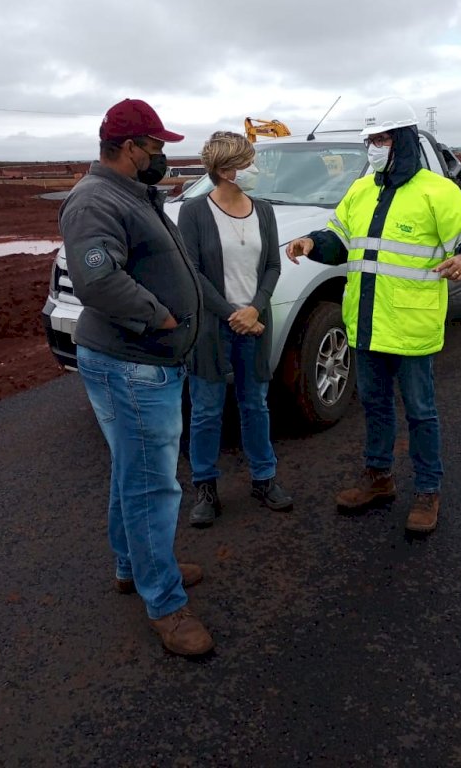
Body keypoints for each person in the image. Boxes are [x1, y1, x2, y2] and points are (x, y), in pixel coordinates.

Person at [286, 98, 461, 534]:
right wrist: (310, 242)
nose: (373, 147)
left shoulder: (437, 191)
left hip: (411, 326)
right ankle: (379, 478)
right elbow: (340, 239)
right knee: (376, 407)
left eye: (379, 139)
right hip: (365, 323)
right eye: (369, 140)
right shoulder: (362, 190)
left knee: (420, 411)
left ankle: (427, 491)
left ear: (401, 140)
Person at [59, 98, 213, 657]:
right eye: (155, 147)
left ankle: (136, 566)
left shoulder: (130, 194)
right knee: (152, 484)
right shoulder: (95, 200)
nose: (162, 156)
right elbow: (97, 280)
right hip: (134, 364)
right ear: (129, 149)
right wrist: (162, 317)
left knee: (134, 469)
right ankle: (165, 604)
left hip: (140, 362)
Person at [178, 132, 292, 527]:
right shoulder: (193, 213)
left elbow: (273, 267)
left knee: (255, 404)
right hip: (213, 327)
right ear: (226, 172)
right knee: (207, 410)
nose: (255, 170)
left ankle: (264, 478)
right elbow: (191, 273)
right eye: (248, 164)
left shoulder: (263, 210)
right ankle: (205, 487)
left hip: (255, 323)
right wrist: (232, 314)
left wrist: (254, 309)